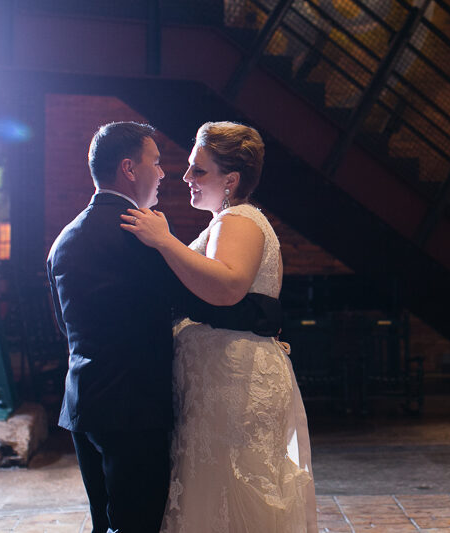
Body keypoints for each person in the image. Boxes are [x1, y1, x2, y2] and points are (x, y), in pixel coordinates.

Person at [47, 121, 282, 533]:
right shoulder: (140, 235)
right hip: (135, 409)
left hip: (83, 404)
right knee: (138, 524)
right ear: (128, 169)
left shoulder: (64, 239)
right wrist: (264, 318)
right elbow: (201, 301)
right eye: (155, 163)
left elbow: (61, 325)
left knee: (104, 524)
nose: (164, 173)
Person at [120, 121, 317, 532]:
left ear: (231, 179)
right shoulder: (225, 222)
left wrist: (164, 240)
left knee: (231, 486)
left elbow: (227, 287)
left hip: (234, 382)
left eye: (199, 170)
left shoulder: (238, 221)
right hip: (225, 377)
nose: (187, 177)